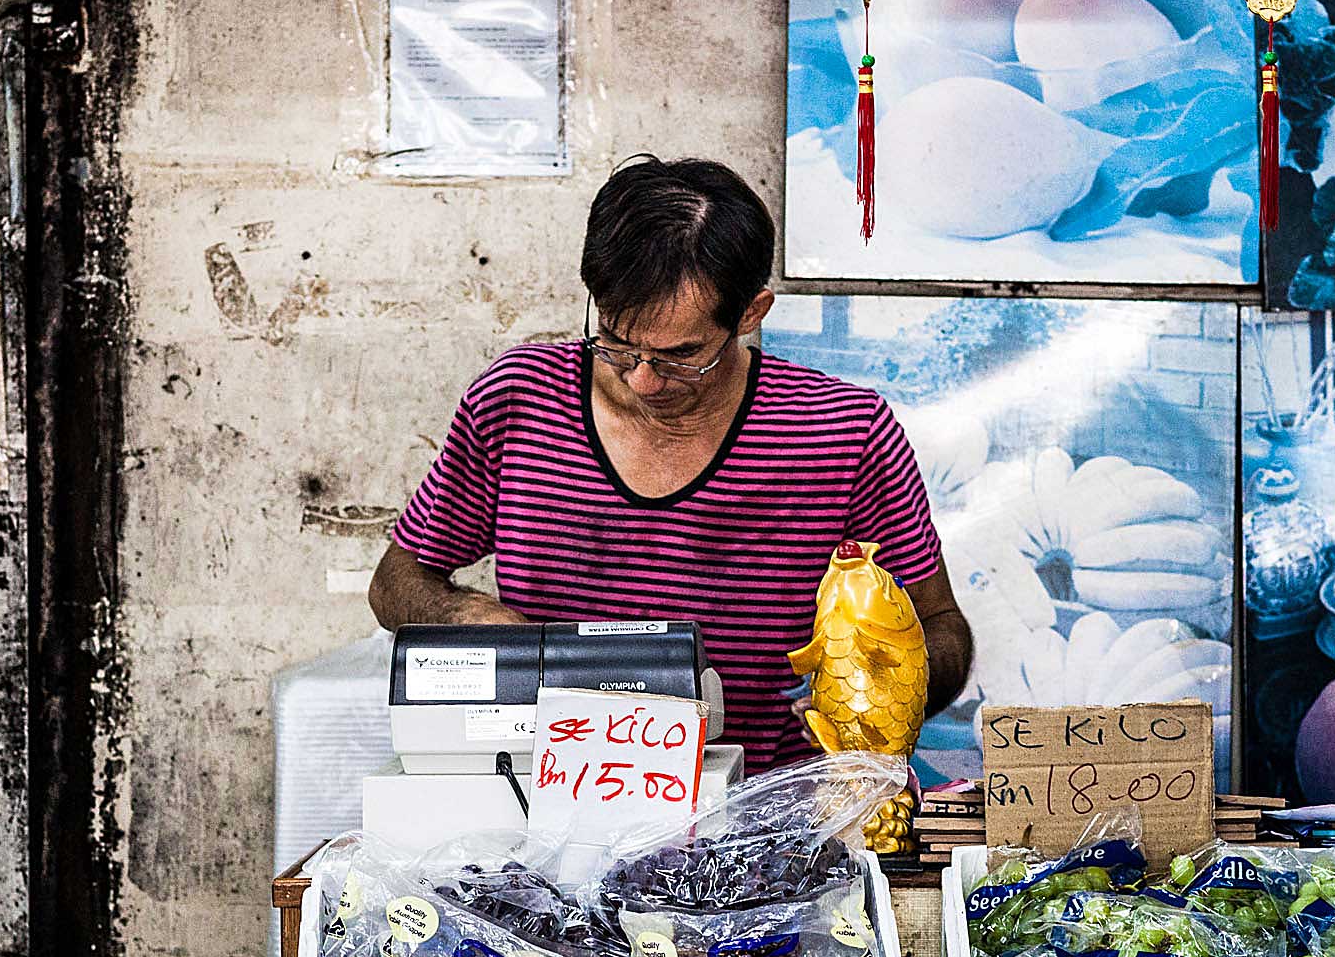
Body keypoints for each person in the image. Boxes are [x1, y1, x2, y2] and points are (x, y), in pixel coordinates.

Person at [370, 156, 973, 772]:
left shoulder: (842, 431)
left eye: (681, 356)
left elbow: (942, 627)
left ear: (750, 314)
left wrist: (877, 686)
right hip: (551, 805)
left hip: (771, 825)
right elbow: (396, 583)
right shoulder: (518, 401)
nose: (643, 379)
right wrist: (477, 619)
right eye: (617, 341)